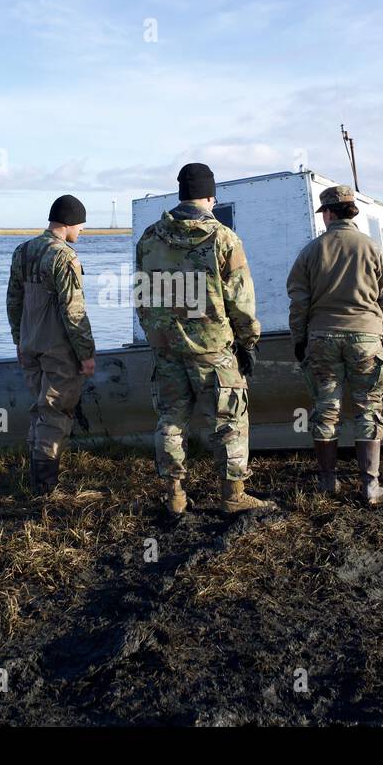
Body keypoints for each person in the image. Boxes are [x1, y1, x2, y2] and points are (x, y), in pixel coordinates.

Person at [135, 162, 273, 515]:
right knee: (229, 421)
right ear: (211, 196)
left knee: (170, 420)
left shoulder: (150, 238)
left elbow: (142, 296)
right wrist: (248, 342)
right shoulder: (223, 238)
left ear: (181, 194)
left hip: (167, 348)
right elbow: (241, 301)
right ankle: (232, 496)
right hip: (213, 349)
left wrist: (157, 335)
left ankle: (175, 496)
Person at [286, 185, 383, 503]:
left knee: (326, 410)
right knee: (368, 408)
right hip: (367, 336)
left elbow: (298, 301)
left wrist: (299, 338)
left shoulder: (311, 251)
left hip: (322, 337)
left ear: (330, 214)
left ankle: (327, 483)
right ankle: (370, 486)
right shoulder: (374, 249)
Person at [6, 194, 96, 495]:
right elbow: (74, 311)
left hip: (30, 344)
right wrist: (86, 354)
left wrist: (19, 341)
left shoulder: (24, 251)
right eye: (81, 224)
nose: (82, 229)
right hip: (58, 348)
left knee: (41, 411)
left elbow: (13, 302)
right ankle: (45, 489)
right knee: (55, 412)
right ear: (68, 222)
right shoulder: (64, 256)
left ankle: (36, 480)